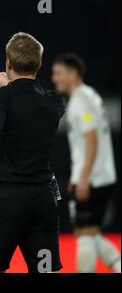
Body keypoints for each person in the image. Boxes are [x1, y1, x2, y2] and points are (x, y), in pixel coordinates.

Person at [0, 32, 64, 273]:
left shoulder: (2, 96)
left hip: (8, 198)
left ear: (8, 64)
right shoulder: (53, 101)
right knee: (45, 270)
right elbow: (30, 103)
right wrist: (11, 88)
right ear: (40, 64)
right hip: (43, 198)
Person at [52, 53, 121, 273]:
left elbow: (91, 138)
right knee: (90, 232)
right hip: (101, 175)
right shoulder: (90, 95)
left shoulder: (80, 101)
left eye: (59, 73)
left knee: (85, 234)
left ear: (73, 74)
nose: (55, 79)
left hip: (93, 178)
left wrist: (82, 179)